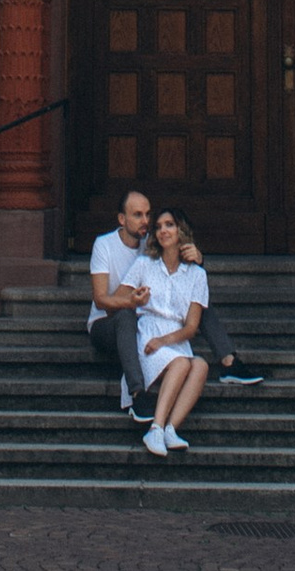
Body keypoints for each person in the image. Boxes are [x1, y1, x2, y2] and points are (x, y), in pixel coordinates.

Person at [136, 211, 213, 457]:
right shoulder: (144, 264)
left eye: (169, 225)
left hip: (175, 338)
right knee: (180, 364)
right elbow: (123, 295)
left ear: (181, 232)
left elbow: (191, 327)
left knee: (199, 365)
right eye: (158, 226)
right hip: (149, 332)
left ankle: (170, 428)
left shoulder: (197, 275)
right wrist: (135, 299)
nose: (163, 231)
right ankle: (155, 428)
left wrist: (165, 341)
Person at [85, 185, 156, 418]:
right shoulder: (104, 245)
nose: (144, 220)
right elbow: (100, 299)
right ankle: (138, 394)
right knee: (126, 316)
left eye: (147, 214)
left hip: (143, 325)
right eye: (137, 215)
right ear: (122, 219)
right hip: (104, 325)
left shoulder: (151, 246)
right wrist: (130, 303)